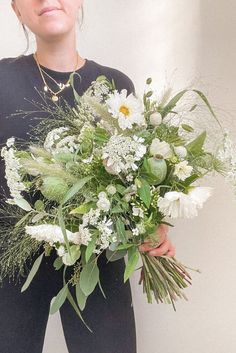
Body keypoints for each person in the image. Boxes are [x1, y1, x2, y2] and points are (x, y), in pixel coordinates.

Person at [0, 1, 176, 353]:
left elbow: (137, 175)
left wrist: (153, 220)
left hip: (99, 262)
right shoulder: (2, 79)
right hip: (9, 264)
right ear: (17, 10)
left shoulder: (116, 86)